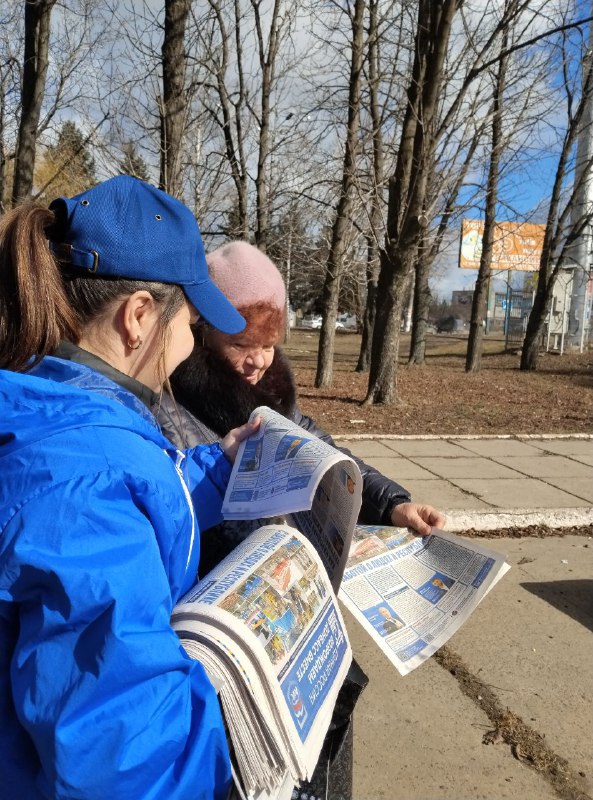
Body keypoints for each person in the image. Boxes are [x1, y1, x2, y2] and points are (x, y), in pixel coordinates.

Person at [0, 176, 260, 800]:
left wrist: (219, 465)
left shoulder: (54, 406)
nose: (191, 344)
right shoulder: (88, 490)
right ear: (139, 316)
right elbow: (128, 765)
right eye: (190, 323)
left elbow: (137, 488)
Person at [158, 241, 446, 800]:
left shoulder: (269, 390)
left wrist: (391, 503)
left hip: (288, 602)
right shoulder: (170, 401)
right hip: (221, 627)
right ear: (204, 329)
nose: (259, 361)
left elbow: (320, 447)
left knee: (328, 732)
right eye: (242, 344)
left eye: (269, 345)